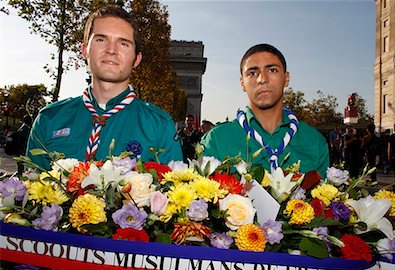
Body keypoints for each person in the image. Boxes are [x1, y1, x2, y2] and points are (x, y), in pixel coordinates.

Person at [27, 5, 182, 170]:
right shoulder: (49, 119)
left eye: (123, 43)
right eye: (101, 39)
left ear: (136, 59)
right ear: (85, 51)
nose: (111, 50)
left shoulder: (160, 126)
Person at [201, 44, 329, 177]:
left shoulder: (315, 141)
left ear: (286, 78)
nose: (262, 79)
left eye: (272, 70)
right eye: (252, 73)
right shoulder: (216, 139)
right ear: (242, 83)